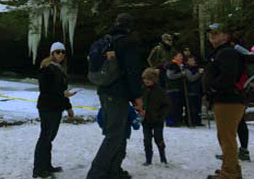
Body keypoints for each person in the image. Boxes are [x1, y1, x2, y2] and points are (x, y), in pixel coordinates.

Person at [86, 13, 143, 179]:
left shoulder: (105, 41)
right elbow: (132, 71)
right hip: (118, 94)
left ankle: (114, 169)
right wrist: (137, 96)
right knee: (115, 134)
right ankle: (97, 172)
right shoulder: (127, 43)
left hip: (104, 91)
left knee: (119, 131)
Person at [203, 22, 246, 179]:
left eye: (216, 33)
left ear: (225, 36)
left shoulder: (227, 53)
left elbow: (227, 77)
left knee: (227, 138)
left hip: (228, 100)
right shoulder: (222, 52)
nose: (212, 36)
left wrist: (213, 89)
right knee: (226, 137)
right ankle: (232, 169)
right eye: (210, 34)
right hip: (227, 100)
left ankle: (229, 174)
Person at [33, 42, 75, 178]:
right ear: (52, 54)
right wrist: (63, 94)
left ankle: (47, 165)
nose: (61, 54)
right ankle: (38, 169)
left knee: (49, 138)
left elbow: (62, 90)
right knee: (45, 137)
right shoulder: (47, 68)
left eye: (62, 52)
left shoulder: (60, 69)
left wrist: (68, 107)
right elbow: (45, 88)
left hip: (56, 107)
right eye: (57, 52)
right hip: (47, 106)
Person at [140, 67, 170, 166]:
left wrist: (161, 116)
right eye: (145, 79)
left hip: (157, 119)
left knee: (159, 139)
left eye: (148, 79)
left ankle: (163, 157)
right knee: (147, 140)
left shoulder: (160, 91)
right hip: (146, 119)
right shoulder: (142, 89)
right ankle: (148, 159)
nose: (146, 81)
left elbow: (166, 105)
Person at [164, 51, 185, 127]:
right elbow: (170, 76)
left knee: (177, 106)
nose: (181, 57)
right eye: (179, 56)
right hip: (172, 88)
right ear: (174, 57)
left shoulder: (180, 65)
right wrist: (181, 74)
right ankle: (170, 121)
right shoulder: (172, 65)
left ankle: (176, 120)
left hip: (178, 88)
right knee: (172, 106)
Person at [184, 55, 204, 127]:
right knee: (191, 107)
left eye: (193, 60)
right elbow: (191, 78)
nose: (193, 62)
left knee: (197, 107)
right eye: (191, 60)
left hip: (197, 90)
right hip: (190, 90)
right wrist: (199, 73)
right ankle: (190, 121)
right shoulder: (187, 69)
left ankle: (197, 120)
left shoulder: (196, 68)